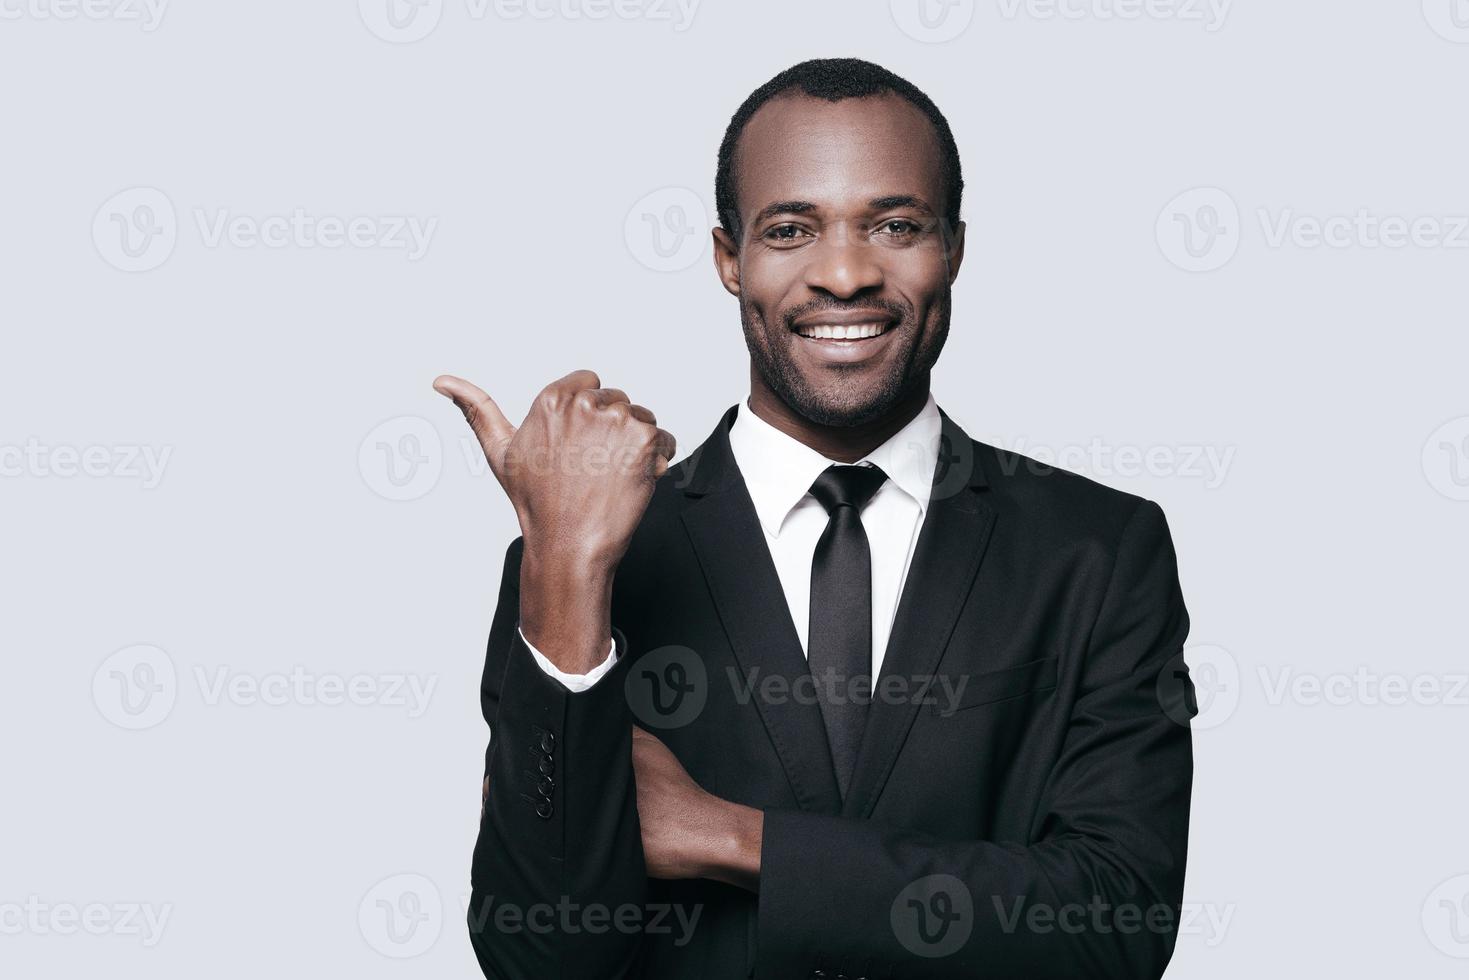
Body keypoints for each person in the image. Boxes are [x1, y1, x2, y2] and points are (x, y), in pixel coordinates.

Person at [435, 57, 1197, 980]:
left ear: (953, 246)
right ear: (729, 257)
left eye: (896, 225)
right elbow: (535, 959)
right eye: (791, 229)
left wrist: (730, 838)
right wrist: (563, 563)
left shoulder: (1098, 550)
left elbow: (1117, 927)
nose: (843, 274)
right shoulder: (577, 559)